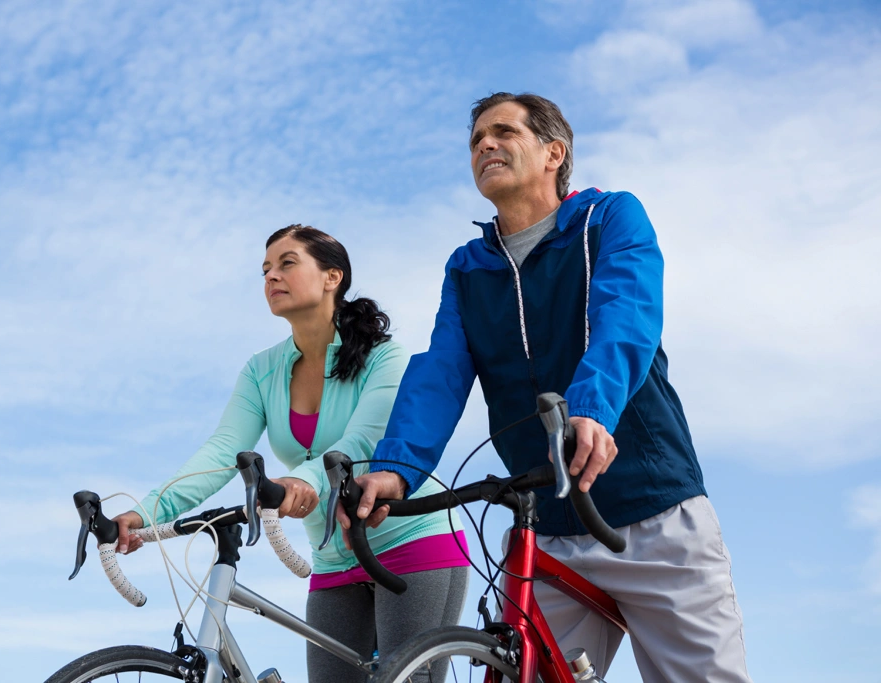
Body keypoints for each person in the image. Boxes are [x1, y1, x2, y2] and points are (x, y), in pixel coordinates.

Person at [341, 93, 751, 682]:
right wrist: (395, 469)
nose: (485, 145)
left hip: (654, 513)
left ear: (554, 152)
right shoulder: (468, 268)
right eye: (476, 138)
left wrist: (591, 409)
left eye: (503, 132)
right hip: (549, 528)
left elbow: (626, 316)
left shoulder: (609, 218)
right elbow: (441, 372)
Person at [112, 224, 469, 683]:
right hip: (333, 560)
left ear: (331, 276)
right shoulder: (261, 371)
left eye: (287, 263)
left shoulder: (385, 357)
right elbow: (223, 450)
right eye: (264, 270)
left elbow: (360, 444)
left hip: (411, 541)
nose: (271, 277)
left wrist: (302, 482)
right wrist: (145, 511)